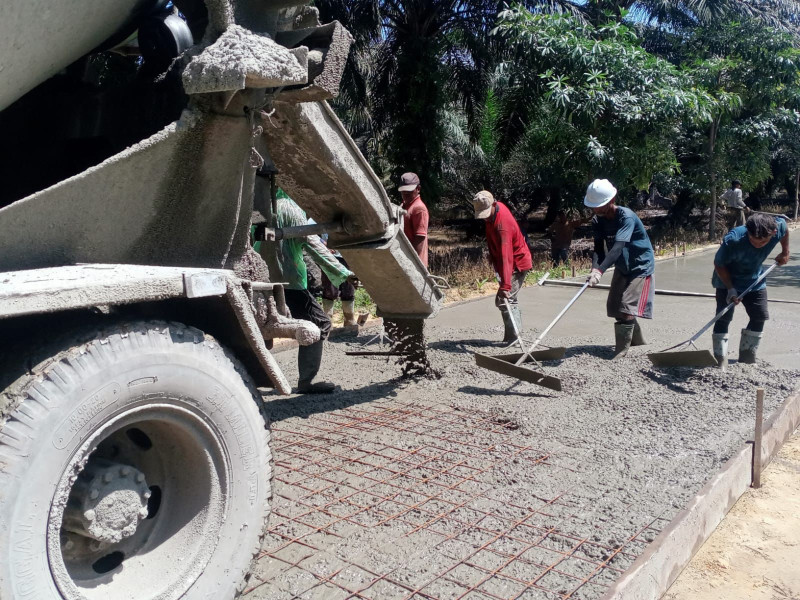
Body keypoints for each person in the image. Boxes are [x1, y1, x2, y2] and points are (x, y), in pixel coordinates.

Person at [275, 189, 359, 393]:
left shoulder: (265, 206)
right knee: (320, 323)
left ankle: (250, 376)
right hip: (290, 280)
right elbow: (313, 244)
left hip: (265, 279)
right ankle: (306, 382)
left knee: (263, 327)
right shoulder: (291, 210)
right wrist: (344, 272)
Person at [584, 179, 655, 359]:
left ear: (612, 199)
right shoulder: (597, 221)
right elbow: (599, 249)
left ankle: (621, 351)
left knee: (626, 307)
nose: (597, 210)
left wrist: (600, 271)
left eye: (600, 206)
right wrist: (594, 269)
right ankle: (637, 341)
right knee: (615, 308)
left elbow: (618, 246)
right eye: (594, 207)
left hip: (640, 265)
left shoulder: (626, 217)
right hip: (622, 264)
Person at [710, 213, 790, 367]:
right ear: (747, 232)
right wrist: (731, 289)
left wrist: (785, 251)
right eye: (754, 241)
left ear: (773, 233)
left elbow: (785, 228)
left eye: (763, 242)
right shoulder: (733, 240)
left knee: (759, 316)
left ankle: (747, 357)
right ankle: (720, 360)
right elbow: (719, 264)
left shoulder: (777, 228)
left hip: (754, 280)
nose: (758, 245)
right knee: (723, 317)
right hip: (726, 279)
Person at [472, 190, 533, 342]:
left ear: (493, 204)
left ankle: (514, 339)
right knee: (507, 301)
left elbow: (507, 257)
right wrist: (492, 256)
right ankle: (512, 337)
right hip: (505, 262)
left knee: (506, 300)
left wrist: (506, 286)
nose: (484, 218)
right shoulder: (494, 212)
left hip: (517, 263)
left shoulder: (502, 224)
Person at [319, 232, 357, 326]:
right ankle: (328, 321)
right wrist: (323, 244)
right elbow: (311, 235)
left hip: (348, 255)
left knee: (349, 289)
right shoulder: (316, 219)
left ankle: (349, 319)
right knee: (330, 290)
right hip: (330, 257)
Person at [398, 172, 429, 267]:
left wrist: (411, 261)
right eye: (403, 191)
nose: (405, 194)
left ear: (418, 189)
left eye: (409, 191)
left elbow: (419, 238)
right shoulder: (404, 205)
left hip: (413, 264)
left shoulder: (419, 209)